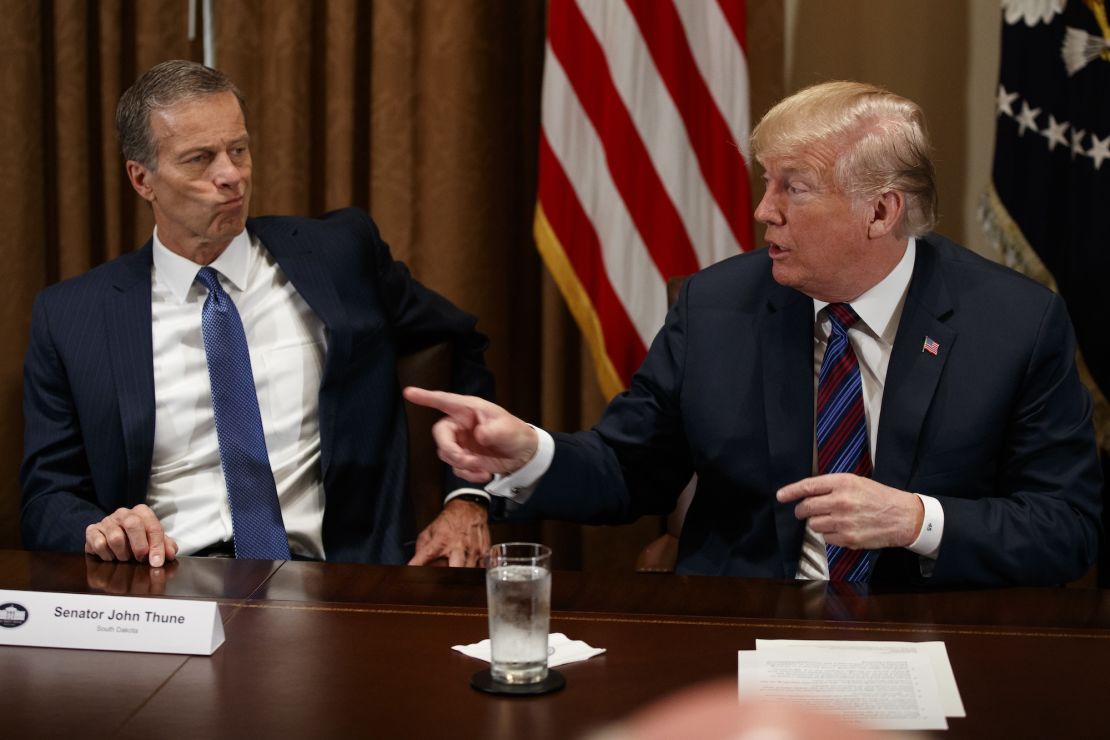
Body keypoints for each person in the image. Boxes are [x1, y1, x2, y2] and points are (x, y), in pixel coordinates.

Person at [406, 80, 1103, 586]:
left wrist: (918, 521)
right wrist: (528, 452)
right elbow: (628, 468)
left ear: (882, 211)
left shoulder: (1014, 322)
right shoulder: (718, 304)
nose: (764, 211)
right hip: (748, 619)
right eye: (766, 184)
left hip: (932, 633)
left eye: (793, 188)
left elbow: (1067, 528)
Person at [21, 60, 494, 568]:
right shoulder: (73, 315)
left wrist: (466, 498)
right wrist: (101, 532)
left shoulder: (339, 255)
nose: (231, 176)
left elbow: (459, 346)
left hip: (336, 581)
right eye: (200, 159)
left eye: (238, 150)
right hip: (167, 579)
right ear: (142, 180)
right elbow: (48, 498)